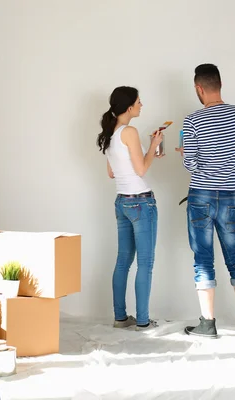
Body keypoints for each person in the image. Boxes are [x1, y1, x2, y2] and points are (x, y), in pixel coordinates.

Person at [175, 64, 235, 338]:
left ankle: (207, 324)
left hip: (201, 195)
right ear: (219, 84)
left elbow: (190, 163)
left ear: (199, 88)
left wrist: (186, 153)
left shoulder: (193, 121)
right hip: (229, 194)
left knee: (203, 259)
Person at [97, 86, 163, 331]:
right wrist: (154, 146)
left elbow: (112, 171)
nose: (141, 104)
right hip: (141, 202)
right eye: (138, 101)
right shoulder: (130, 131)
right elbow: (142, 170)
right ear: (128, 107)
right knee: (145, 262)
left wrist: (146, 153)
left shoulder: (110, 133)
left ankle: (120, 318)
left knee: (123, 260)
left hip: (121, 202)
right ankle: (144, 321)